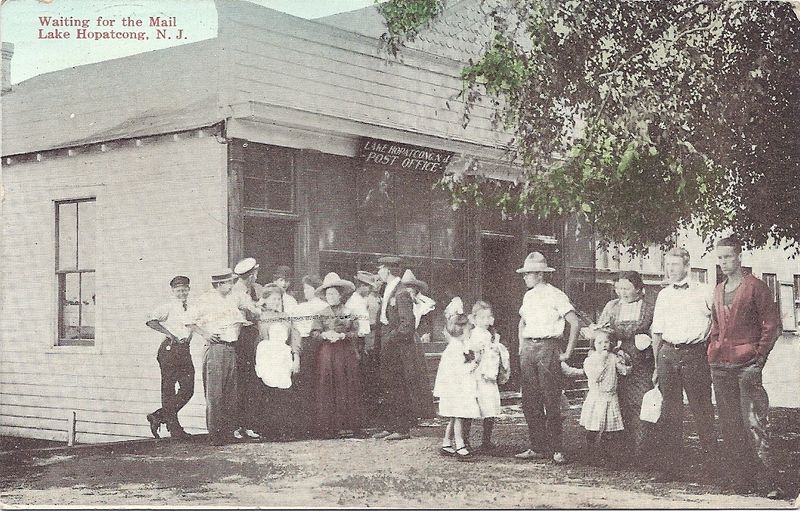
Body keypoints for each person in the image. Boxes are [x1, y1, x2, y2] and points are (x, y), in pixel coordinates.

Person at [708, 236, 782, 498]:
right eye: (719, 258)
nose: (723, 262)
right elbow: (716, 326)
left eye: (727, 256)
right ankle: (740, 480)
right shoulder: (718, 289)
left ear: (739, 256)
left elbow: (771, 326)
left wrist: (758, 359)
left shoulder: (756, 287)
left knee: (754, 422)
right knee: (729, 424)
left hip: (747, 365)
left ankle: (767, 482)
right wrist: (713, 350)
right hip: (721, 365)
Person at [651, 247, 718, 481]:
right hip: (668, 354)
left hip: (695, 354)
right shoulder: (663, 295)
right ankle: (672, 469)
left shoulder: (705, 291)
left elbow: (717, 323)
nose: (670, 269)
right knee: (671, 412)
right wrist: (656, 365)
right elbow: (657, 332)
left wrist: (710, 350)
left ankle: (712, 468)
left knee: (702, 410)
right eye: (667, 265)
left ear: (687, 266)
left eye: (675, 265)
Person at [514, 252, 580, 465]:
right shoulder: (528, 296)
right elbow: (522, 322)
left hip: (548, 348)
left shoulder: (556, 295)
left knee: (551, 399)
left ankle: (557, 449)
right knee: (529, 400)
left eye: (528, 274)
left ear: (540, 275)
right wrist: (521, 346)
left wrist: (568, 352)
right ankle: (537, 446)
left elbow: (575, 323)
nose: (525, 277)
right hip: (529, 349)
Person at [596, 271, 656, 461]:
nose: (621, 292)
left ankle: (642, 454)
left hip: (641, 363)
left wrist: (647, 343)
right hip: (615, 361)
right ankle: (616, 455)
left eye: (626, 288)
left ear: (638, 289)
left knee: (639, 404)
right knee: (614, 404)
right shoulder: (611, 306)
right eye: (618, 288)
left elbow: (657, 335)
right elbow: (602, 333)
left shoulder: (649, 308)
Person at [185, 269, 245, 446]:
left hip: (230, 348)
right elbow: (188, 320)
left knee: (230, 393)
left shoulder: (232, 299)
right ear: (219, 284)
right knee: (215, 394)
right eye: (228, 283)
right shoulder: (205, 300)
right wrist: (205, 333)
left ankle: (227, 433)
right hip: (215, 349)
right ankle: (215, 435)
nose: (231, 286)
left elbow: (240, 319)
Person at [309, 272, 363, 438]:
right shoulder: (320, 313)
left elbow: (356, 332)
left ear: (341, 295)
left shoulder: (349, 312)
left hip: (345, 353)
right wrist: (325, 335)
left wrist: (343, 336)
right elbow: (314, 334)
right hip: (327, 354)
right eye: (328, 294)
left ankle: (346, 425)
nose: (330, 296)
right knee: (327, 386)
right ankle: (328, 426)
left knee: (345, 385)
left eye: (334, 293)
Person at [373, 256, 418, 441]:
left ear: (387, 270)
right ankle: (390, 426)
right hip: (386, 343)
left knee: (397, 386)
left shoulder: (401, 293)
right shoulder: (388, 289)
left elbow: (408, 324)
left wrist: (390, 338)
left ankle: (401, 428)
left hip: (396, 347)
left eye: (380, 268)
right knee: (387, 385)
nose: (378, 272)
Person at [145, 275, 195, 439]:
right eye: (178, 290)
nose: (182, 293)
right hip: (170, 350)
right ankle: (175, 430)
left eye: (184, 290)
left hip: (184, 350)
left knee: (188, 389)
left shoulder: (191, 307)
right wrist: (169, 334)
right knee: (168, 390)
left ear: (188, 289)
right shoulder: (168, 307)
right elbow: (151, 320)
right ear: (173, 291)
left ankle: (159, 416)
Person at [575, 327, 630, 466]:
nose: (604, 345)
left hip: (610, 397)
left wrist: (625, 360)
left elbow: (624, 372)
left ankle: (607, 455)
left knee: (609, 429)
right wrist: (602, 361)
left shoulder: (613, 358)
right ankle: (590, 453)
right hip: (597, 397)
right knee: (593, 428)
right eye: (599, 343)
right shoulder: (590, 360)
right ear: (593, 344)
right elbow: (596, 377)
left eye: (606, 342)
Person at [433, 298, 480, 460]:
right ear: (460, 330)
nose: (470, 333)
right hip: (456, 388)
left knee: (455, 416)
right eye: (468, 330)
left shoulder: (461, 346)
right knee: (459, 415)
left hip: (459, 387)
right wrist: (475, 364)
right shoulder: (454, 349)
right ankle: (460, 445)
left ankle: (446, 442)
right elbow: (459, 370)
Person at [253, 284, 301, 440]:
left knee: (284, 392)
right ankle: (268, 431)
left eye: (279, 299)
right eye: (273, 299)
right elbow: (257, 340)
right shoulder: (260, 317)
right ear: (265, 300)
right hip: (267, 355)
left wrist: (296, 357)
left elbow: (294, 338)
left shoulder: (286, 316)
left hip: (283, 356)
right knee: (268, 391)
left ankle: (285, 429)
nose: (276, 302)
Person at [469, 300, 510, 452]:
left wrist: (496, 347)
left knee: (490, 407)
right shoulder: (473, 334)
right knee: (473, 407)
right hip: (478, 374)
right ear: (474, 319)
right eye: (482, 318)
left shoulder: (491, 335)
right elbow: (471, 353)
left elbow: (495, 352)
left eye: (488, 317)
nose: (486, 321)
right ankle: (465, 441)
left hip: (489, 375)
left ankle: (486, 440)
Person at [230, 257, 263, 441]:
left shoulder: (257, 289)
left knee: (253, 380)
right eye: (254, 274)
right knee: (240, 381)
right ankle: (237, 425)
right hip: (241, 337)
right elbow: (250, 312)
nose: (255, 277)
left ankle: (249, 424)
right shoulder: (236, 292)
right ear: (249, 276)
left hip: (254, 335)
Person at [291, 274, 328, 437]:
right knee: (308, 383)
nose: (305, 291)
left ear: (315, 289)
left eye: (307, 288)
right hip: (307, 344)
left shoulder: (323, 307)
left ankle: (318, 425)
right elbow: (296, 330)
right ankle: (308, 425)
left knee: (317, 383)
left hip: (319, 344)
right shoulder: (300, 307)